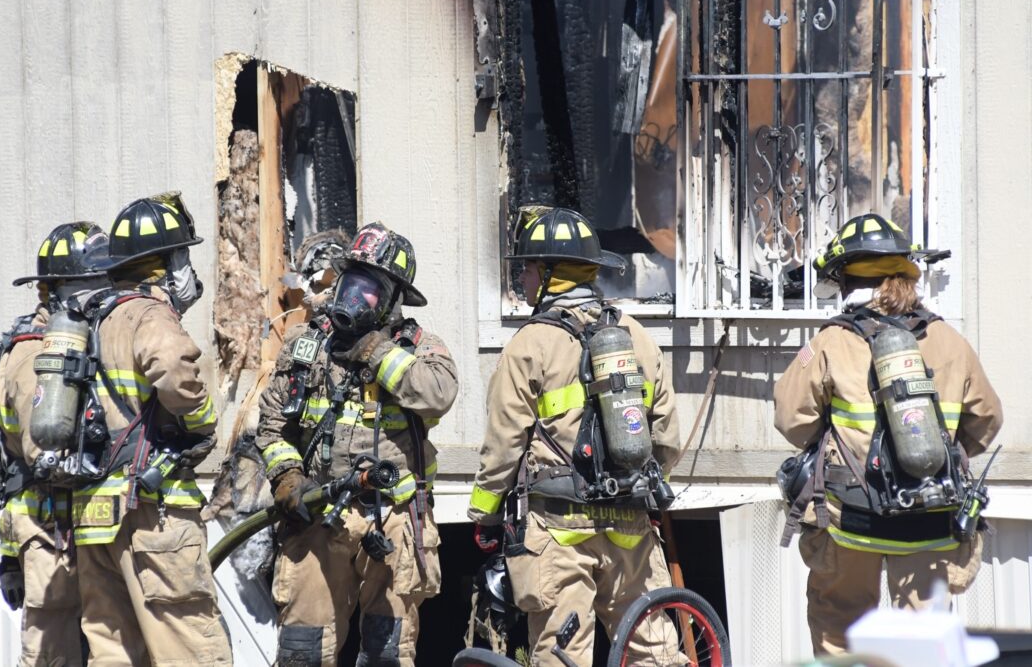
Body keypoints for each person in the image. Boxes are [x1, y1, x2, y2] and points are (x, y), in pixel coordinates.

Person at [774, 213, 1003, 655]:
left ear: (847, 278)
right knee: (920, 649)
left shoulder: (830, 343)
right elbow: (987, 419)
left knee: (841, 635)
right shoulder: (950, 341)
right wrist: (935, 455)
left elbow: (791, 419)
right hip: (929, 518)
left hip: (851, 523)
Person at [467, 206, 681, 666]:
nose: (521, 278)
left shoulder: (529, 345)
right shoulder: (636, 336)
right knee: (653, 653)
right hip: (630, 526)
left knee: (562, 655)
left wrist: (484, 516)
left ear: (549, 274)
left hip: (558, 532)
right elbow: (665, 435)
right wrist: (640, 487)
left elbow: (504, 443)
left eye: (526, 268)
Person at [255, 222, 458, 666]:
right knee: (303, 651)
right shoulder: (308, 345)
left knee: (386, 653)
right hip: (316, 518)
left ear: (392, 299)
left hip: (391, 520)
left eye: (371, 290)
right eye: (352, 283)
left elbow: (438, 393)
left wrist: (376, 351)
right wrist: (288, 477)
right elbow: (272, 425)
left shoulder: (417, 347)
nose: (356, 298)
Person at [72, 193, 232, 665]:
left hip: (93, 515)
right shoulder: (149, 312)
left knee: (113, 651)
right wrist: (202, 424)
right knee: (190, 645)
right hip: (153, 511)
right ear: (164, 262)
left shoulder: (93, 318)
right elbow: (172, 369)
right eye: (184, 255)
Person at [0, 222, 112, 666]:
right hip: (48, 535)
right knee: (56, 656)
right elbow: (36, 453)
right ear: (60, 290)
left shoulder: (86, 344)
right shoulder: (34, 353)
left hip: (86, 530)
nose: (104, 294)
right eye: (95, 284)